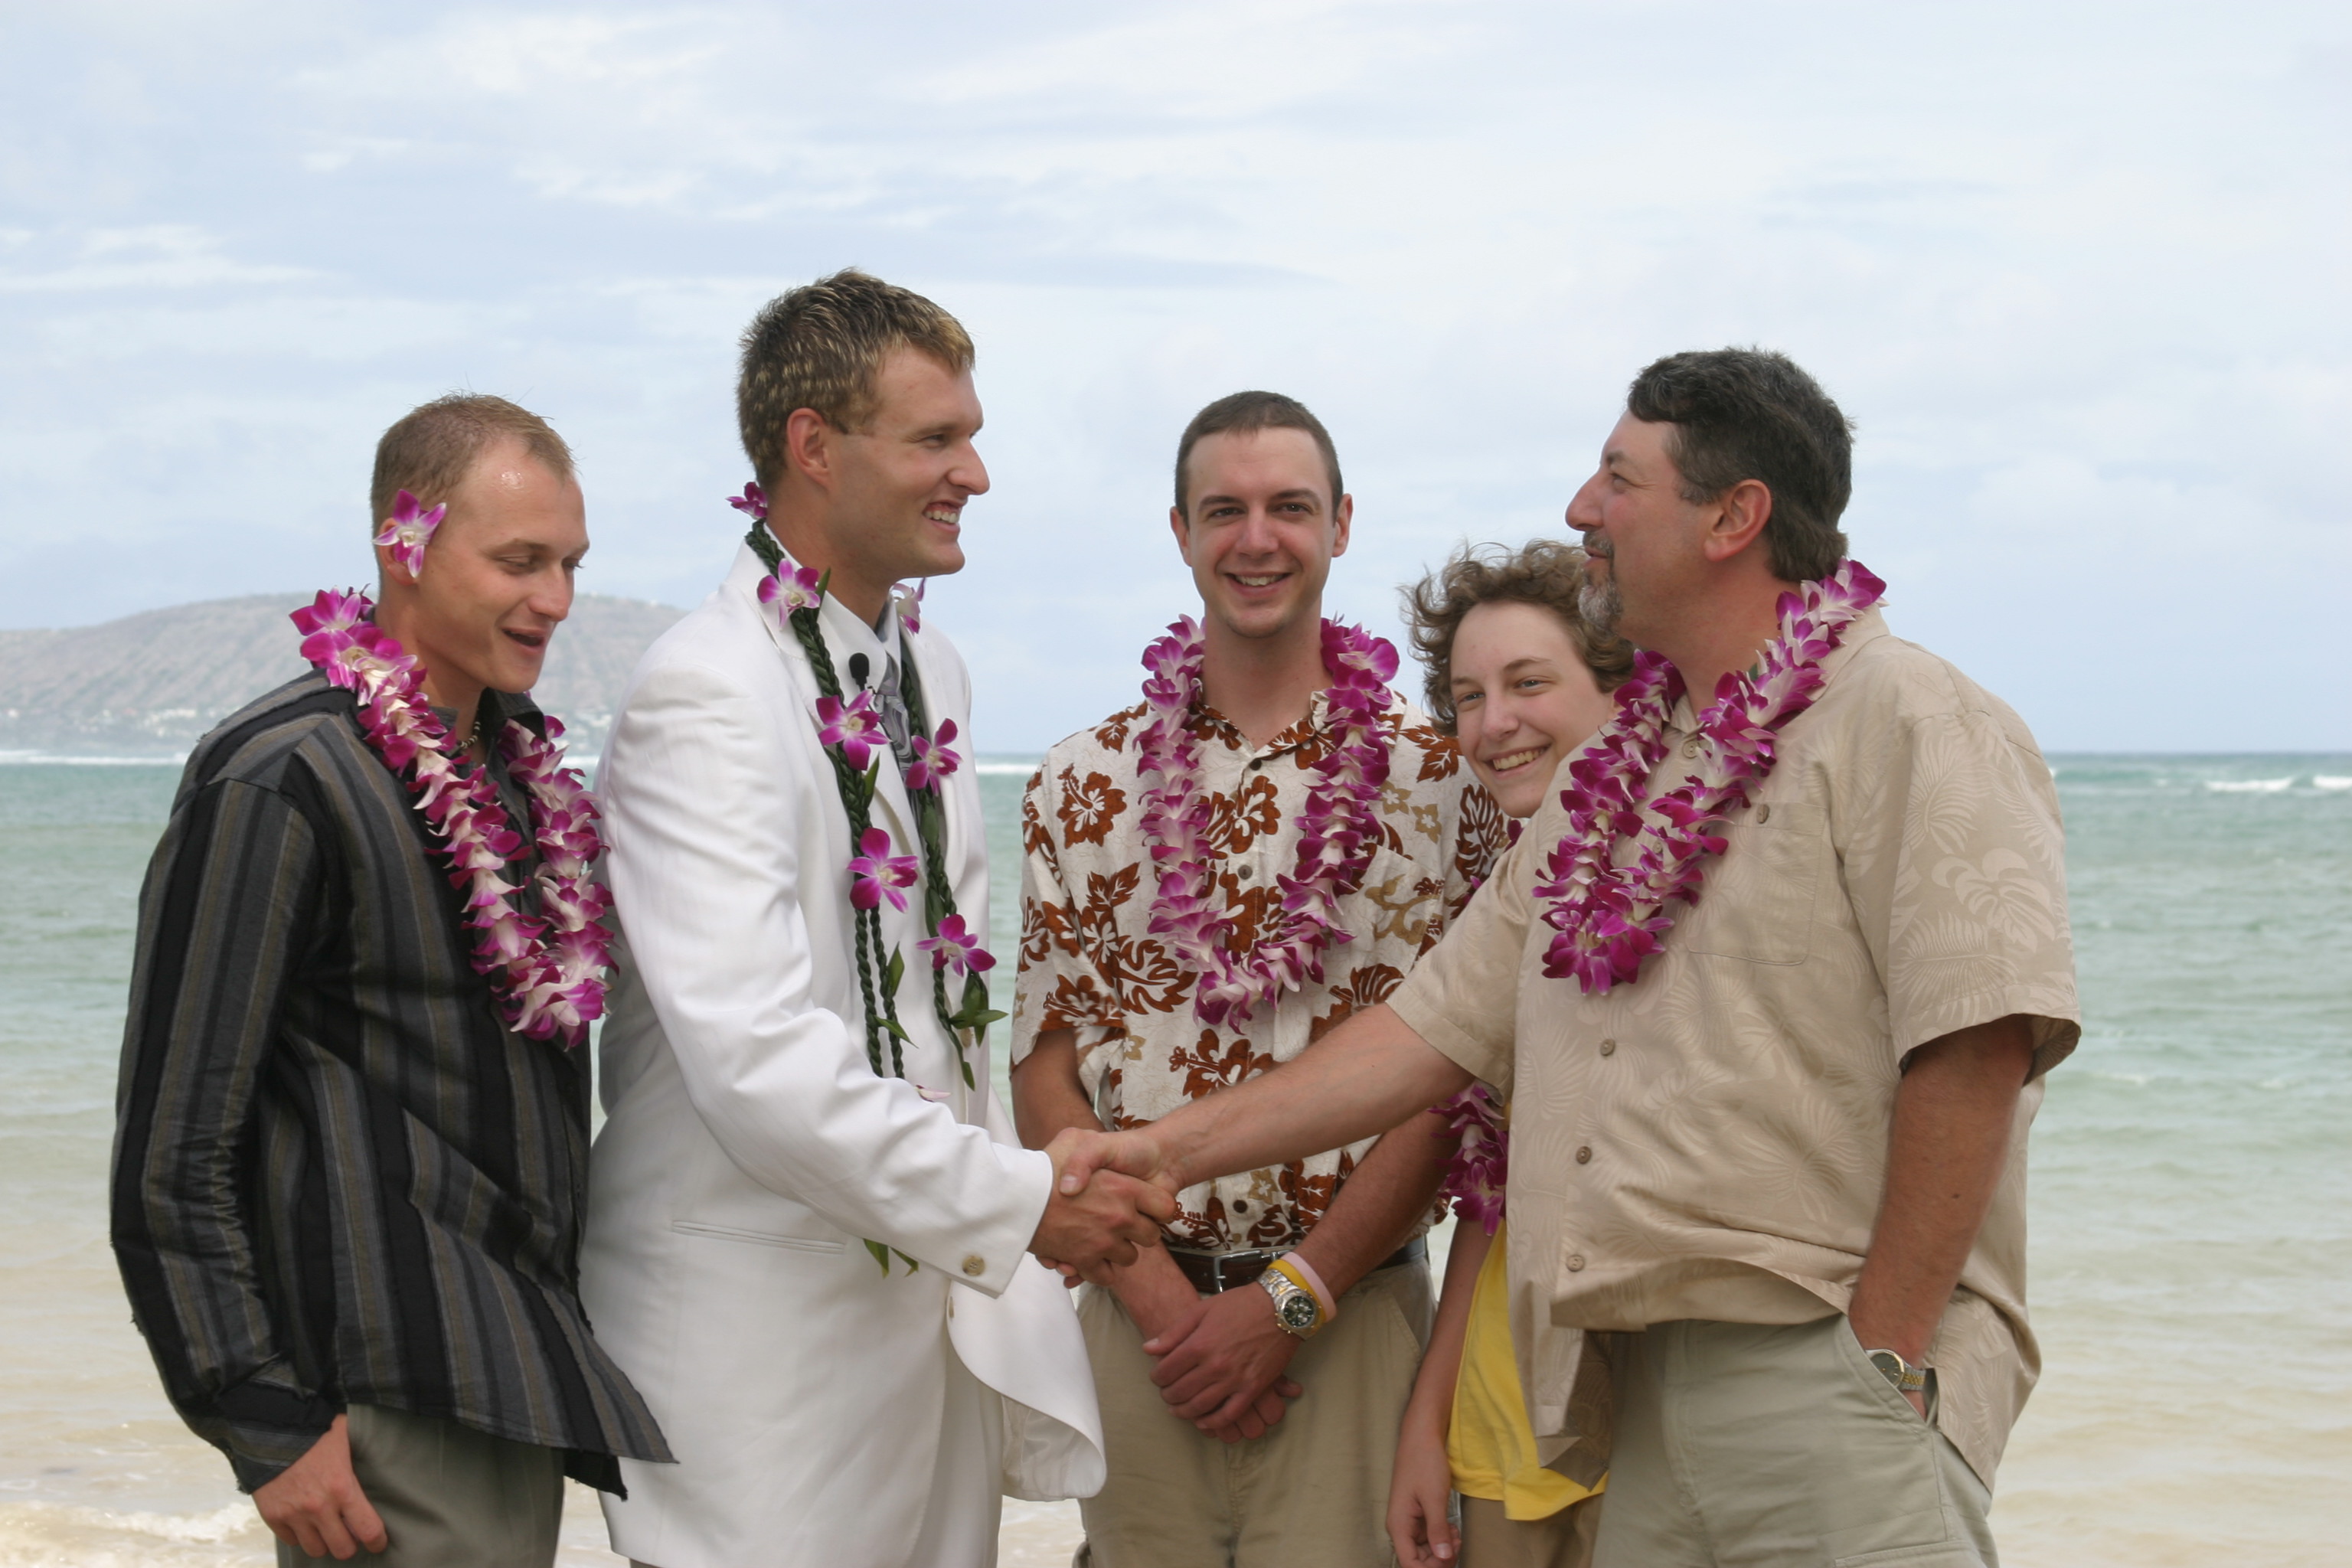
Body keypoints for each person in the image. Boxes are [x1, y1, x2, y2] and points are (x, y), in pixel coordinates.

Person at [1056, 349, 2082, 1568]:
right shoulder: (1614, 781)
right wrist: (1158, 1153)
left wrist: (1885, 1359)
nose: (1580, 509)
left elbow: (1976, 1047)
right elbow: (1421, 1035)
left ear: (1733, 517)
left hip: (1827, 1374)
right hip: (1631, 1394)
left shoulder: (1910, 715)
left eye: (1618, 480)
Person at [579, 270, 1171, 1568]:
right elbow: (755, 1059)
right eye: (934, 439)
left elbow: (940, 1023)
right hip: (762, 1368)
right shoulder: (706, 691)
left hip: (927, 1344)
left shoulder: (928, 668)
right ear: (814, 445)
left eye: (971, 436)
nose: (976, 474)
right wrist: (1020, 1200)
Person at [112, 394, 669, 1566]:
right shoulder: (282, 777)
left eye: (570, 564)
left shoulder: (522, 777)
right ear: (403, 543)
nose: (556, 599)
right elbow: (173, 1145)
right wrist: (261, 1418)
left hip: (513, 1376)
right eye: (519, 561)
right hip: (380, 1400)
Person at [1010, 390, 1511, 1566]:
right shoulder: (1079, 781)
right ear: (1179, 532)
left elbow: (1457, 1080)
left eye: (1289, 506)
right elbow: (1044, 1072)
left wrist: (1295, 1297)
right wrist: (1166, 1310)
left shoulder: (1444, 782)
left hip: (1357, 1325)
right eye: (1223, 510)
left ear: (1341, 524)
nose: (1257, 538)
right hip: (1142, 1332)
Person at [1387, 541, 1632, 1567]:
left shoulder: (1697, 878)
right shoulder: (1510, 898)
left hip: (1646, 1425)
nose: (1493, 725)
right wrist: (1428, 1416)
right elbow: (1495, 1194)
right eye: (1467, 697)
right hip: (1501, 1415)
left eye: (1529, 683)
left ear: (1621, 688)